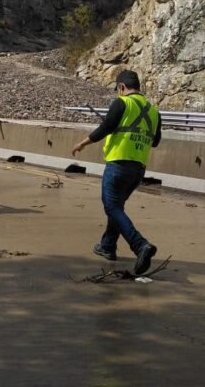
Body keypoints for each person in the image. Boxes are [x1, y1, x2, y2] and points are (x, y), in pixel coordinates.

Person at [72, 70, 162, 275]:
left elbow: (106, 127)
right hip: (138, 169)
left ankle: (140, 245)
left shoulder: (122, 103)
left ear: (121, 87)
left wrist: (82, 143)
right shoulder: (154, 111)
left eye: (118, 90)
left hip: (118, 165)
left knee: (111, 206)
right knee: (116, 207)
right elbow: (155, 141)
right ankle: (107, 246)